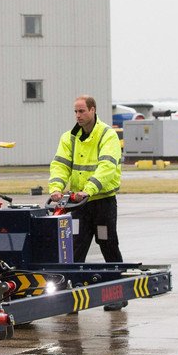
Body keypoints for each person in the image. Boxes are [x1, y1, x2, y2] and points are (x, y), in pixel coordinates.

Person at [48, 95, 125, 309]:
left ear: (93, 110)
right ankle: (71, 297)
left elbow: (107, 167)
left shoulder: (107, 135)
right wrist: (56, 188)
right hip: (79, 205)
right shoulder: (69, 138)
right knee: (74, 247)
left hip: (102, 203)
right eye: (75, 111)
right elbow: (60, 165)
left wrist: (89, 190)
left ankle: (118, 294)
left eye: (82, 111)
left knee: (108, 245)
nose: (78, 115)